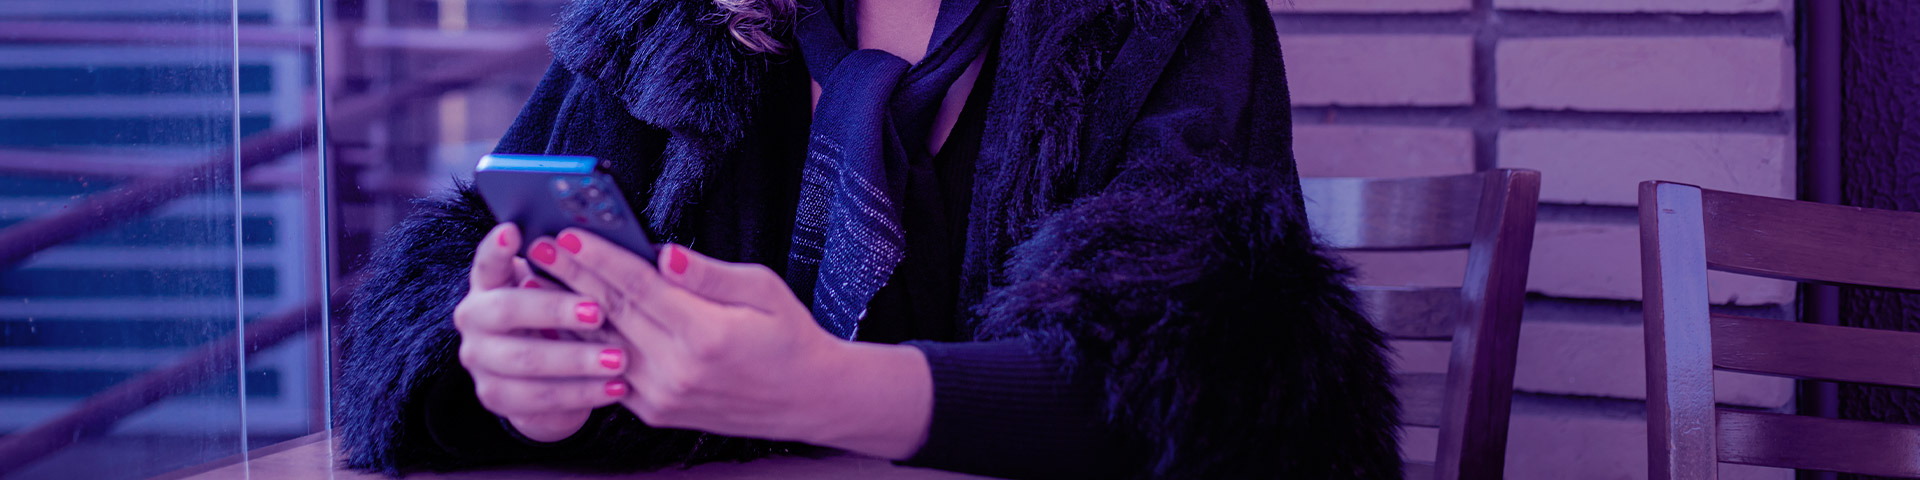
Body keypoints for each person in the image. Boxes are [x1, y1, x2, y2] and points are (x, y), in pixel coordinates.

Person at [336, 0, 1402, 478]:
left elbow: (1222, 388)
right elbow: (454, 297)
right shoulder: (664, 18)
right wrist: (521, 379)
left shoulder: (1163, 16)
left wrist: (823, 390)